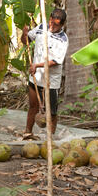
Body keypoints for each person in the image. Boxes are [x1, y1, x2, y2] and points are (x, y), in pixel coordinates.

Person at [21, 8, 68, 140]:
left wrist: (37, 65)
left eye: (56, 25)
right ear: (50, 18)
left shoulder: (63, 39)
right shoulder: (42, 27)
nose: (52, 26)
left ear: (62, 25)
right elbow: (26, 41)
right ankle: (28, 132)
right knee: (33, 106)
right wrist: (24, 35)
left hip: (51, 81)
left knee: (51, 111)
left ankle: (50, 138)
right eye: (51, 22)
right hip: (35, 76)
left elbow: (56, 61)